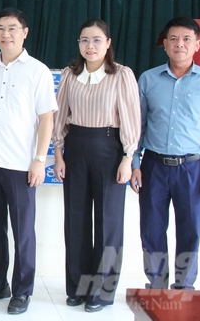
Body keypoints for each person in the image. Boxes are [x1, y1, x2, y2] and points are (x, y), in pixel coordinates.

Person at [0, 8, 57, 315]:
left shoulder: (38, 71)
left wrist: (39, 160)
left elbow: (46, 119)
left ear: (25, 32)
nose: (5, 34)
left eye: (12, 28)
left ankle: (22, 290)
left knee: (23, 231)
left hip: (21, 165)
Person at [52, 19, 141, 312]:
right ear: (78, 44)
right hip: (76, 147)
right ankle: (78, 287)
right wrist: (58, 154)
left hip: (109, 149)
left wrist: (128, 157)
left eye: (96, 40)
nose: (90, 46)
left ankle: (101, 292)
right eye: (84, 40)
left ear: (108, 43)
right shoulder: (69, 74)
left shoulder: (121, 75)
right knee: (75, 221)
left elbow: (130, 117)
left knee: (108, 223)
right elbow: (60, 115)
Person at [131, 17, 200, 290]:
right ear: (165, 45)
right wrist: (135, 162)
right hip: (153, 166)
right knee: (151, 230)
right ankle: (157, 286)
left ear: (197, 45)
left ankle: (184, 289)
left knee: (190, 231)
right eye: (173, 39)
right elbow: (138, 125)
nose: (179, 44)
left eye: (186, 39)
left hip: (193, 169)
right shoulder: (148, 79)